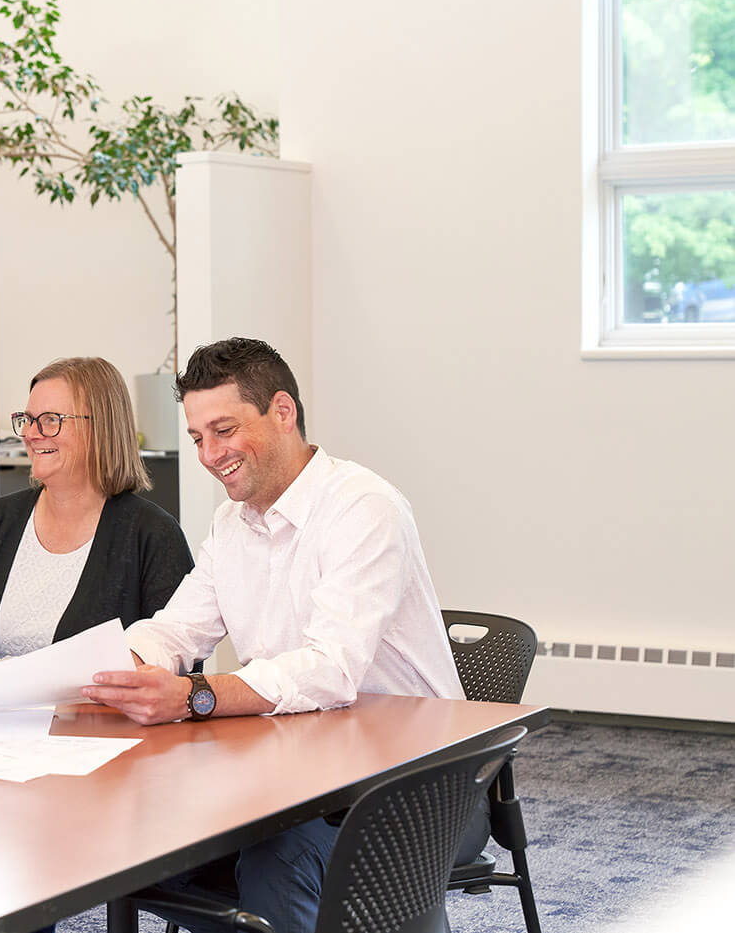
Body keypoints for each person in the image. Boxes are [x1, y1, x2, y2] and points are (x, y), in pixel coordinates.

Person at [80, 337, 467, 933]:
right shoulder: (231, 522)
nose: (210, 454)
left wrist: (195, 695)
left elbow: (329, 669)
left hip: (411, 782)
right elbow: (177, 629)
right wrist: (109, 670)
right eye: (198, 438)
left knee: (275, 860)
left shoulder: (364, 508)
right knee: (134, 844)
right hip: (297, 763)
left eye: (225, 430)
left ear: (282, 412)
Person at [0, 357, 193, 662]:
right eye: (28, 419)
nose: (31, 434)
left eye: (51, 419)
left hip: (94, 712)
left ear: (101, 427)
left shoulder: (153, 535)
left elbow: (178, 664)